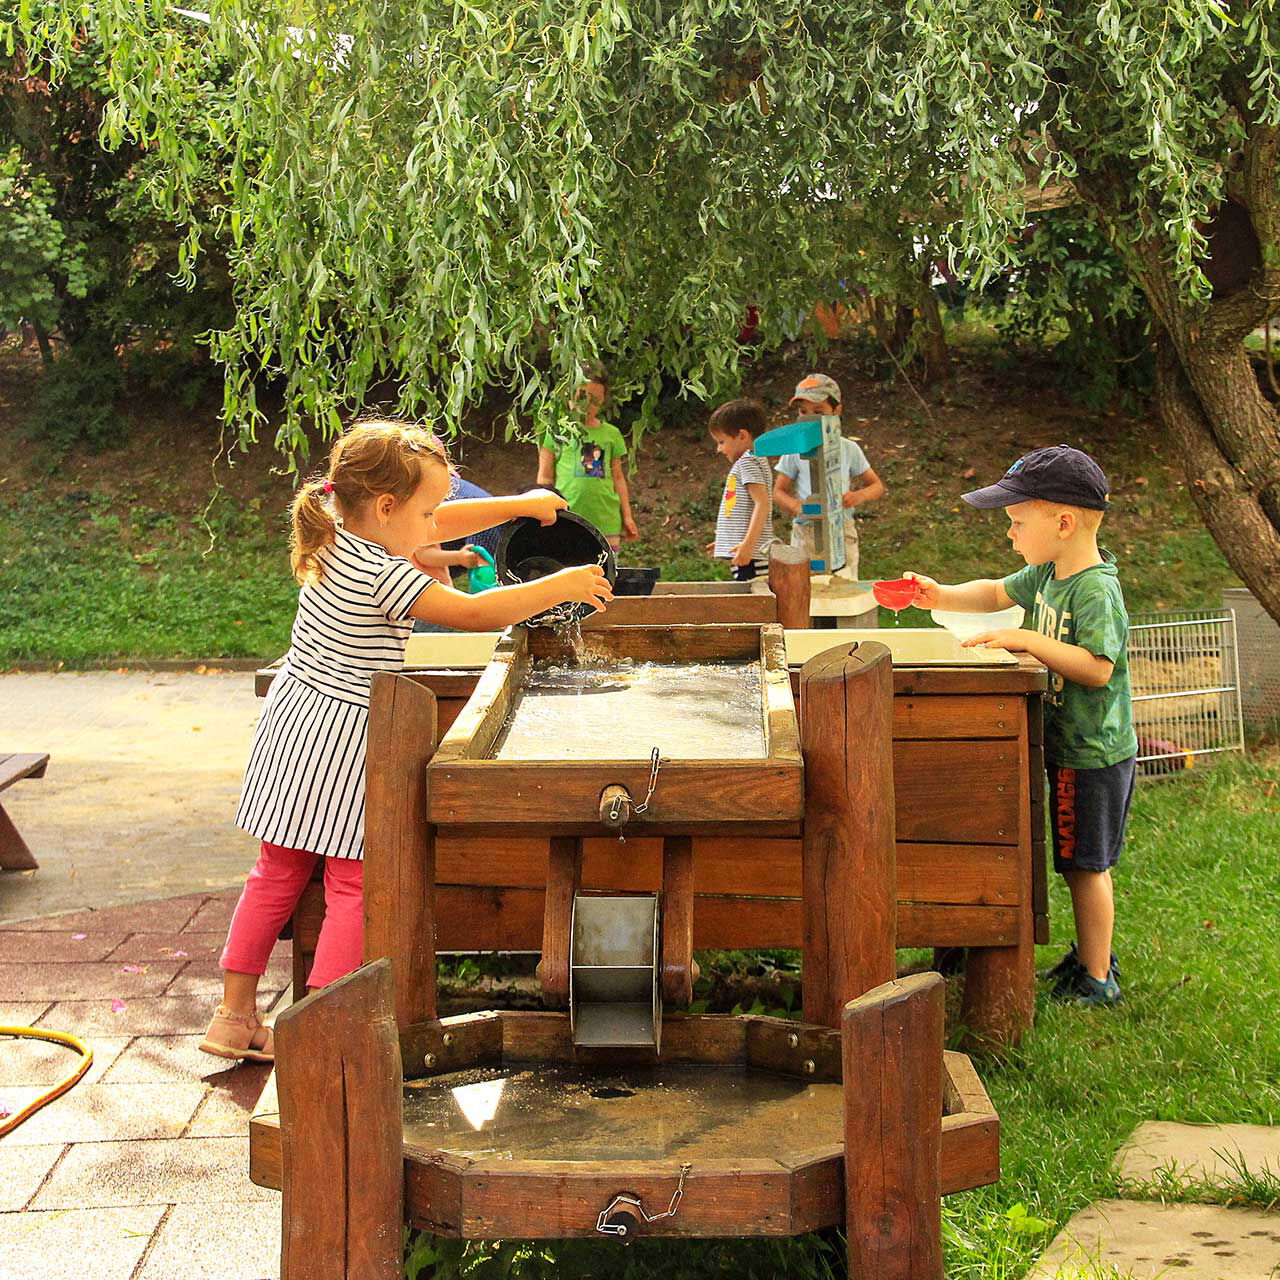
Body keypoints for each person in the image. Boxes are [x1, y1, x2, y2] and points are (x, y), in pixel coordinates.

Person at [200, 419, 612, 1062]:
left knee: (275, 873)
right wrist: (564, 583)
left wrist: (522, 506)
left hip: (291, 722)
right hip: (346, 739)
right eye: (426, 509)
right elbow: (477, 616)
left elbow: (436, 525)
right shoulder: (383, 575)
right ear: (388, 507)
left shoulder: (339, 534)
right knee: (354, 882)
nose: (435, 522)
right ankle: (318, 1028)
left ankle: (232, 1015)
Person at [904, 445, 1136, 1007]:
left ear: (1062, 522)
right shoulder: (1048, 573)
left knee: (1086, 867)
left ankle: (1098, 979)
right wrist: (939, 594)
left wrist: (1028, 640)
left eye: (1015, 522)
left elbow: (1098, 669)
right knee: (1071, 860)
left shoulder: (1094, 589)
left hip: (1094, 753)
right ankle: (1086, 957)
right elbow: (992, 591)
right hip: (1067, 748)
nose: (1008, 534)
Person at [772, 373, 885, 580]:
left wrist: (858, 496)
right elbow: (778, 491)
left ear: (836, 411)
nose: (810, 418)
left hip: (842, 529)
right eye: (803, 412)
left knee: (845, 587)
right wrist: (796, 506)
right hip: (806, 531)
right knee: (806, 592)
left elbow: (876, 486)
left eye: (819, 411)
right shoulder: (795, 450)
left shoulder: (849, 449)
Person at [536, 370, 638, 548]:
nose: (589, 404)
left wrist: (627, 516)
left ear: (604, 399)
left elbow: (618, 478)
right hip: (566, 520)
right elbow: (545, 478)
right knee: (569, 569)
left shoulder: (611, 434)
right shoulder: (556, 432)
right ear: (568, 394)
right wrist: (543, 512)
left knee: (605, 572)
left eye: (596, 399)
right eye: (583, 397)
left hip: (606, 521)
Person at [707, 398, 774, 581]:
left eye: (722, 442)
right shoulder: (753, 460)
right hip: (750, 554)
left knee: (751, 602)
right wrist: (726, 542)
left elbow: (762, 504)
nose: (719, 449)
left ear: (742, 436)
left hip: (752, 557)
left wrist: (748, 545)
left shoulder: (747, 462)